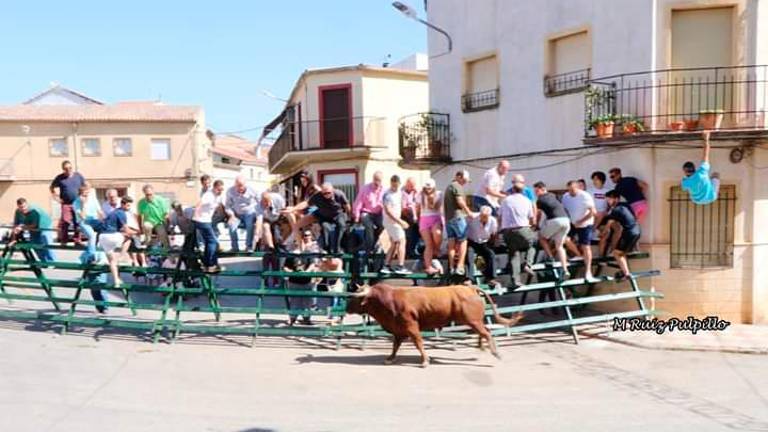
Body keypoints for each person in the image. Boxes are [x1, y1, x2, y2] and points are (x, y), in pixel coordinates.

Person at [283, 182, 350, 254]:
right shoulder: (316, 197)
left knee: (340, 225)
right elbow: (306, 205)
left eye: (328, 193)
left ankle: (337, 248)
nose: (326, 195)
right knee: (298, 225)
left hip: (330, 214)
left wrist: (350, 217)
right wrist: (294, 209)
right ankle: (300, 246)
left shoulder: (337, 194)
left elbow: (347, 206)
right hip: (321, 215)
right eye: (324, 193)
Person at [499, 179, 538, 288]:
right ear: (523, 191)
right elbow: (531, 218)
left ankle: (515, 281)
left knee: (514, 254)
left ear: (512, 189)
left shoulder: (505, 200)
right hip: (522, 229)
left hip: (507, 232)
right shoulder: (527, 200)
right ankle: (527, 264)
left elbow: (500, 216)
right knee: (533, 243)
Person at [97, 196, 139, 287]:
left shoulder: (113, 212)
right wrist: (138, 232)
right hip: (111, 236)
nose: (129, 208)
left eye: (130, 206)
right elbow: (127, 231)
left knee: (112, 261)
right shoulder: (121, 213)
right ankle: (122, 256)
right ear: (122, 204)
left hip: (102, 237)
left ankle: (117, 280)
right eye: (127, 206)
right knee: (128, 239)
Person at [533, 182, 571, 280]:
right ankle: (565, 270)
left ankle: (550, 257)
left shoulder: (540, 200)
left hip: (555, 221)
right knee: (559, 246)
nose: (536, 193)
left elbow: (538, 214)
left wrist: (536, 225)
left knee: (542, 237)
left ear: (542, 189)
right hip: (566, 221)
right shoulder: (553, 195)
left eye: (536, 191)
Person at [283, 229, 320, 326]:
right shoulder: (291, 254)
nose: (298, 243)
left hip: (307, 281)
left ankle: (306, 318)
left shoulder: (308, 253)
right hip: (294, 281)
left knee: (307, 302)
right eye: (296, 241)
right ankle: (292, 319)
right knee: (295, 301)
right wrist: (291, 272)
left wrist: (307, 272)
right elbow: (285, 266)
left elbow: (312, 264)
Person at [601, 190, 642, 281]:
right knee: (622, 253)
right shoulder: (626, 205)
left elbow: (609, 225)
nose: (608, 202)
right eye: (607, 200)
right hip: (637, 230)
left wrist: (602, 234)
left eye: (609, 199)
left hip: (629, 233)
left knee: (616, 253)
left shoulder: (616, 210)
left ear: (616, 199)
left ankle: (626, 274)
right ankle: (623, 270)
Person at [561, 180, 597, 281]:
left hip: (586, 224)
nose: (571, 192)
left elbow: (593, 212)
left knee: (585, 246)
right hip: (573, 223)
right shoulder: (566, 196)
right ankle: (578, 255)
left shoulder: (585, 196)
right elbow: (565, 210)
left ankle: (588, 271)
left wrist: (580, 221)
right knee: (564, 239)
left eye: (572, 190)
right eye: (569, 190)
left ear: (578, 188)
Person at [444, 170, 475, 275]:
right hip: (457, 218)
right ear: (459, 177)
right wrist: (469, 212)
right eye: (465, 180)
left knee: (451, 244)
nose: (465, 183)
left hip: (448, 219)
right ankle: (460, 266)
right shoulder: (457, 186)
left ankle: (452, 267)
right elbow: (460, 201)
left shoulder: (448, 187)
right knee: (463, 241)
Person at [193, 179, 226, 273]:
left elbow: (220, 206)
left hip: (206, 221)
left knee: (209, 242)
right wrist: (196, 214)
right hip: (202, 221)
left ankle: (207, 264)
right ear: (214, 188)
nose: (220, 191)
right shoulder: (209, 195)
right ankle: (211, 265)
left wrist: (225, 216)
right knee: (213, 242)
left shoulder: (217, 196)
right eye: (219, 189)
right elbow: (199, 204)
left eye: (222, 190)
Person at [381, 175, 412, 275]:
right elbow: (388, 211)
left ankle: (386, 265)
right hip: (391, 221)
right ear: (391, 183)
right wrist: (400, 222)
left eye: (396, 184)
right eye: (393, 184)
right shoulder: (387, 195)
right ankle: (400, 266)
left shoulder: (399, 192)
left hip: (394, 221)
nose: (395, 186)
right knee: (402, 241)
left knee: (394, 243)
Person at [49, 160, 86, 245]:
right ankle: (64, 240)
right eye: (66, 169)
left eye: (70, 168)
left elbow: (85, 186)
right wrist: (57, 198)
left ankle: (77, 240)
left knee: (78, 222)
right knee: (65, 221)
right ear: (63, 169)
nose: (68, 170)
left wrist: (84, 196)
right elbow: (51, 187)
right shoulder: (60, 178)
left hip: (77, 203)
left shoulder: (78, 176)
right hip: (66, 203)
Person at [682, 130, 720, 205]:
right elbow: (706, 153)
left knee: (691, 187)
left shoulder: (685, 182)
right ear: (694, 168)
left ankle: (707, 185)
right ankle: (709, 182)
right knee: (715, 175)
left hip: (697, 201)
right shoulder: (702, 171)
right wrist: (706, 139)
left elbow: (683, 186)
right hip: (711, 196)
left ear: (685, 172)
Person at [11, 198, 55, 262]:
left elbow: (34, 225)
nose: (23, 209)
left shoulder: (34, 211)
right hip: (31, 228)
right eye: (20, 207)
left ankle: (51, 262)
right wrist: (13, 238)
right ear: (18, 207)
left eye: (24, 206)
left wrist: (22, 227)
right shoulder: (18, 212)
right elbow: (15, 225)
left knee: (45, 244)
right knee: (34, 244)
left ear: (27, 204)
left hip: (44, 226)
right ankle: (43, 261)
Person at [224, 176, 260, 252]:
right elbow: (227, 206)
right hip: (236, 214)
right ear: (235, 185)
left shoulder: (252, 190)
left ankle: (248, 246)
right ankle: (235, 247)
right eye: (238, 186)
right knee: (231, 226)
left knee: (250, 225)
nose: (240, 188)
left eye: (242, 186)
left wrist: (258, 214)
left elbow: (259, 202)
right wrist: (231, 215)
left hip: (249, 213)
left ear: (245, 184)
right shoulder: (230, 191)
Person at [416, 179, 443, 275]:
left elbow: (439, 207)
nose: (428, 190)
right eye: (426, 188)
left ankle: (437, 249)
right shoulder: (420, 195)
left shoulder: (439, 194)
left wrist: (432, 199)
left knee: (437, 234)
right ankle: (428, 266)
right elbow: (418, 209)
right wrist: (418, 219)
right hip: (424, 219)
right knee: (428, 244)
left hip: (435, 217)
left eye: (430, 188)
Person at [467, 206, 499, 287]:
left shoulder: (493, 221)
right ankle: (469, 279)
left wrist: (491, 244)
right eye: (482, 215)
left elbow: (493, 234)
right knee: (469, 255)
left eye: (486, 216)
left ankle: (491, 278)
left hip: (484, 242)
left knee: (490, 254)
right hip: (472, 241)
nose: (483, 218)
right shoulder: (472, 218)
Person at [353, 171, 385, 249]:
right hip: (367, 212)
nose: (377, 182)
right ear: (373, 179)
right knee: (369, 226)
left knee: (384, 225)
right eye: (375, 179)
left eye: (379, 180)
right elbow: (358, 203)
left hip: (379, 213)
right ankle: (369, 247)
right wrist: (356, 216)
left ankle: (375, 241)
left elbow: (387, 204)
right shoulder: (365, 188)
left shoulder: (384, 190)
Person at [73, 184, 104, 258]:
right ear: (80, 194)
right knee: (92, 235)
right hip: (84, 222)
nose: (86, 196)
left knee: (106, 231)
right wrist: (83, 204)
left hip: (94, 220)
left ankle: (97, 251)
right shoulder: (76, 203)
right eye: (84, 195)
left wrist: (104, 219)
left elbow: (99, 211)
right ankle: (91, 255)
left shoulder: (93, 199)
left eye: (87, 194)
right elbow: (83, 217)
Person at [137, 184, 170, 249]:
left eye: (150, 194)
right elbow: (139, 216)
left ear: (153, 192)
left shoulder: (161, 201)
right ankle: (148, 243)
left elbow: (166, 215)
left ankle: (167, 251)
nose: (149, 196)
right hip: (149, 222)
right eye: (147, 195)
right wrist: (140, 228)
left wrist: (167, 227)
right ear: (144, 193)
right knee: (146, 225)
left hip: (160, 222)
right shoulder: (141, 202)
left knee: (163, 236)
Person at [401, 177, 420, 259]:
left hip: (415, 217)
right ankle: (408, 253)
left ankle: (413, 251)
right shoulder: (402, 193)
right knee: (408, 235)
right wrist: (411, 217)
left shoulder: (415, 192)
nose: (412, 188)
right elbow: (403, 208)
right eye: (411, 186)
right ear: (407, 184)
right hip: (406, 216)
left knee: (417, 234)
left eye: (413, 186)